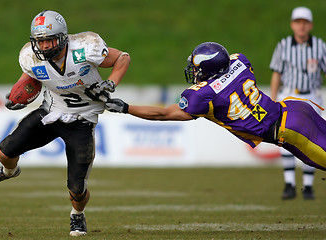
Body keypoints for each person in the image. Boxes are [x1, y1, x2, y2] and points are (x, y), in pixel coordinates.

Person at [0, 10, 130, 237]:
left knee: (77, 188)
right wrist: (18, 95)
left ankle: (77, 215)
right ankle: (9, 172)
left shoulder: (86, 46)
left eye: (50, 40)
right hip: (50, 113)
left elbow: (122, 58)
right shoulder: (30, 56)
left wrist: (110, 83)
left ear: (63, 37)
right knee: (5, 149)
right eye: (40, 41)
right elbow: (29, 77)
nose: (45, 46)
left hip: (82, 120)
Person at [105, 42, 326, 176]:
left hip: (290, 130)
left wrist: (126, 107)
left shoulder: (202, 94)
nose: (194, 71)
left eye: (196, 67)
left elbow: (164, 113)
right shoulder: (239, 61)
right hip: (296, 109)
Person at [270, 6, 326, 200]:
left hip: (313, 98)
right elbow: (277, 74)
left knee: (311, 141)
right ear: (293, 24)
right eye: (298, 22)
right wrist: (273, 98)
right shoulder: (283, 46)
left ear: (310, 25)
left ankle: (308, 186)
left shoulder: (320, 46)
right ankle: (289, 184)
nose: (301, 26)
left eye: (305, 22)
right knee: (285, 138)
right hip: (289, 96)